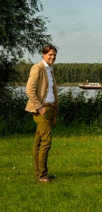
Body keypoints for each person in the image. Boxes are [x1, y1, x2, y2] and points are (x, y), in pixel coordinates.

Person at [25, 44, 59, 183]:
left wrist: (54, 114)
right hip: (42, 109)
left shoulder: (50, 70)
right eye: (50, 54)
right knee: (46, 142)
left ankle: (39, 173)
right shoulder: (38, 68)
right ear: (43, 54)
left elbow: (51, 92)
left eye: (54, 55)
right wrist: (39, 107)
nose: (52, 57)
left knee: (39, 142)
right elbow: (29, 89)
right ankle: (43, 176)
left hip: (49, 109)